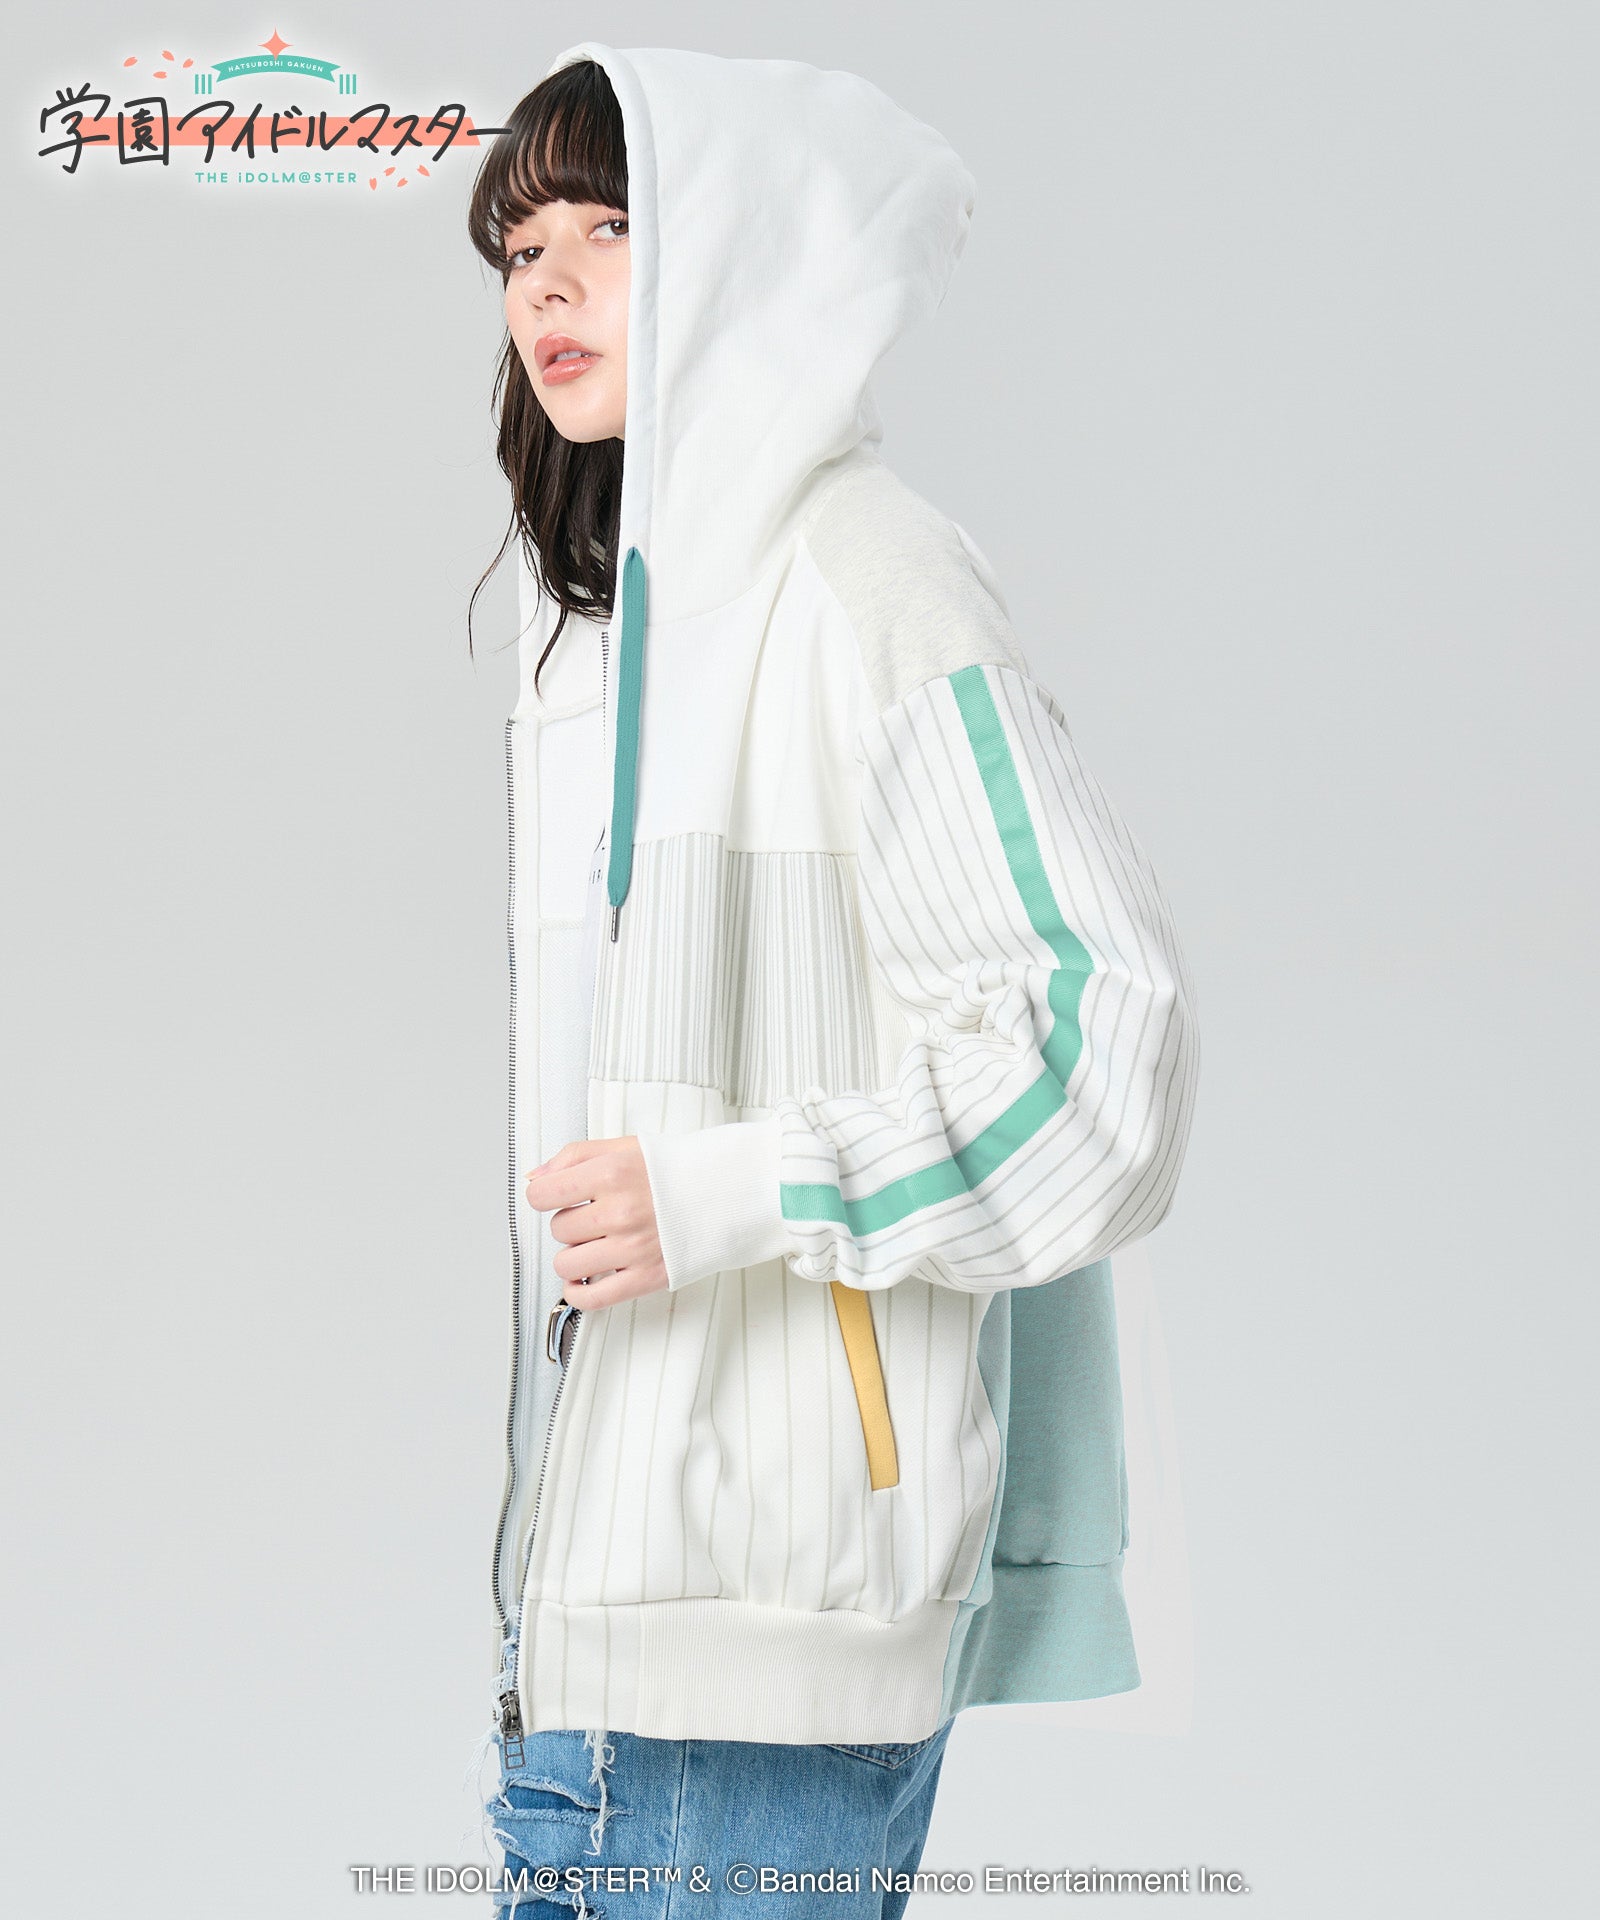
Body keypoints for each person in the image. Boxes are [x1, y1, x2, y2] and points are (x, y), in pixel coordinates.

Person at [462, 41, 1200, 1920]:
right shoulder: (602, 647)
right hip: (590, 1646)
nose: (548, 285)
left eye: (609, 227)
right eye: (522, 245)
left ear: (750, 242)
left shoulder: (868, 577)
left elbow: (1098, 1063)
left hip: (757, 1662)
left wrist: (728, 1192)